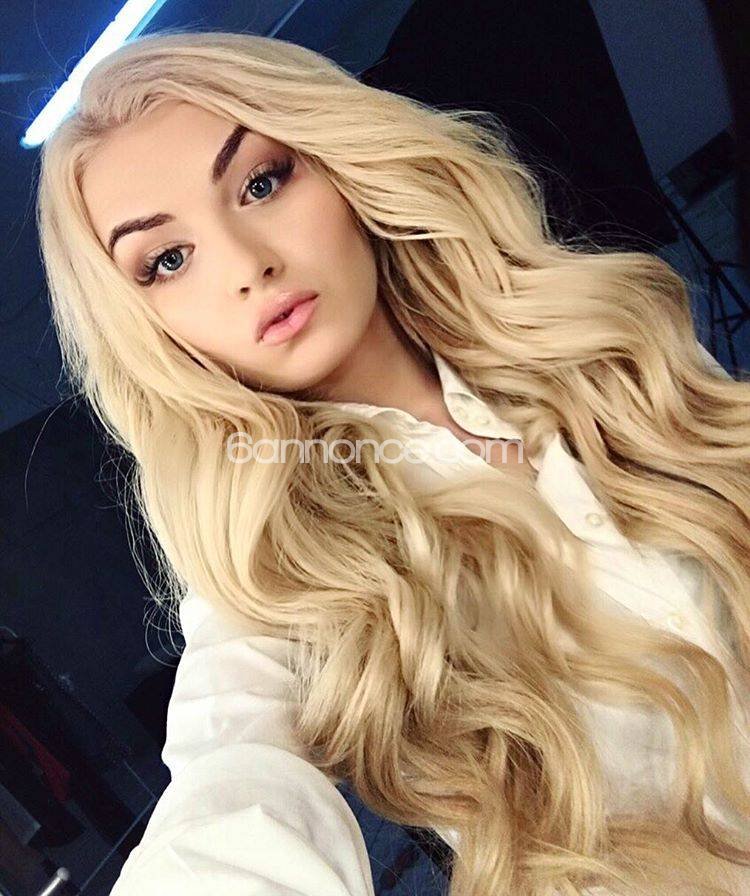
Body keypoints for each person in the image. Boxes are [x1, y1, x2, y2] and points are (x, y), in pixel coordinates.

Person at [34, 27, 750, 896]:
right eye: (168, 260)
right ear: (147, 328)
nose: (249, 265)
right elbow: (231, 787)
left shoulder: (594, 345)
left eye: (261, 182)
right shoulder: (272, 576)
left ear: (341, 166)